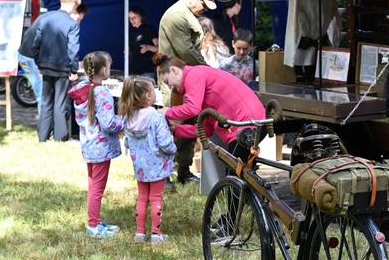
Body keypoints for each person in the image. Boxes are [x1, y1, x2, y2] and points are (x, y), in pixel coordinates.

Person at [154, 53, 265, 166]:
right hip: (250, 122)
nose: (169, 87)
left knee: (234, 174)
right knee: (240, 172)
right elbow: (206, 129)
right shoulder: (196, 79)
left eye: (167, 81)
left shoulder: (193, 75)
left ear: (174, 71)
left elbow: (192, 109)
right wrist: (176, 129)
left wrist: (167, 112)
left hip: (247, 124)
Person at [158, 0, 212, 188]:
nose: (205, 9)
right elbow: (186, 52)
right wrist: (209, 72)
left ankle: (183, 170)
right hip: (174, 81)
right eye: (204, 4)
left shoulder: (187, 14)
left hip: (187, 79)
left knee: (189, 125)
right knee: (172, 127)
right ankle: (163, 173)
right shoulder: (176, 16)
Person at [68, 51, 125, 238]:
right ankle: (93, 226)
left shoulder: (84, 90)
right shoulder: (102, 93)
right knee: (97, 188)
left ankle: (96, 220)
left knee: (93, 185)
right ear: (103, 70)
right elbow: (109, 124)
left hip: (89, 145)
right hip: (101, 148)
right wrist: (124, 121)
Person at [119, 76, 176, 244]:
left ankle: (140, 233)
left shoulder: (128, 117)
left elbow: (128, 142)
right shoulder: (156, 117)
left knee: (142, 197)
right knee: (156, 198)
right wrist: (173, 149)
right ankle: (156, 234)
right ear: (147, 96)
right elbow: (165, 142)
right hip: (157, 166)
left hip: (140, 167)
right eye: (153, 90)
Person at [31, 0, 82, 142]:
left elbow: (35, 45)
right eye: (75, 6)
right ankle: (60, 137)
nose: (75, 10)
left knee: (46, 101)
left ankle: (42, 136)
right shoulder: (72, 24)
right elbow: (73, 49)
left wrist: (39, 64)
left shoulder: (45, 20)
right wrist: (73, 70)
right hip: (62, 69)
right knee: (60, 103)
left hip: (46, 67)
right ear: (72, 4)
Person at [128, 6, 159, 79]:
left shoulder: (149, 30)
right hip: (133, 70)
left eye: (134, 17)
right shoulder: (131, 31)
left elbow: (159, 48)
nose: (132, 20)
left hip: (146, 71)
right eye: (130, 18)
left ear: (141, 16)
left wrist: (148, 47)